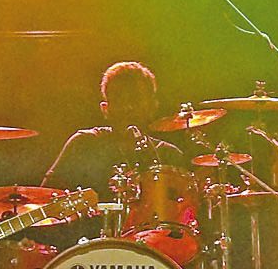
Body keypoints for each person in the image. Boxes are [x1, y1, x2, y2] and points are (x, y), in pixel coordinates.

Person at [42, 60, 188, 191]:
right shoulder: (84, 144)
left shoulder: (169, 155)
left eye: (135, 99)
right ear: (105, 109)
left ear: (153, 107)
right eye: (118, 99)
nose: (127, 107)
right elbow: (46, 197)